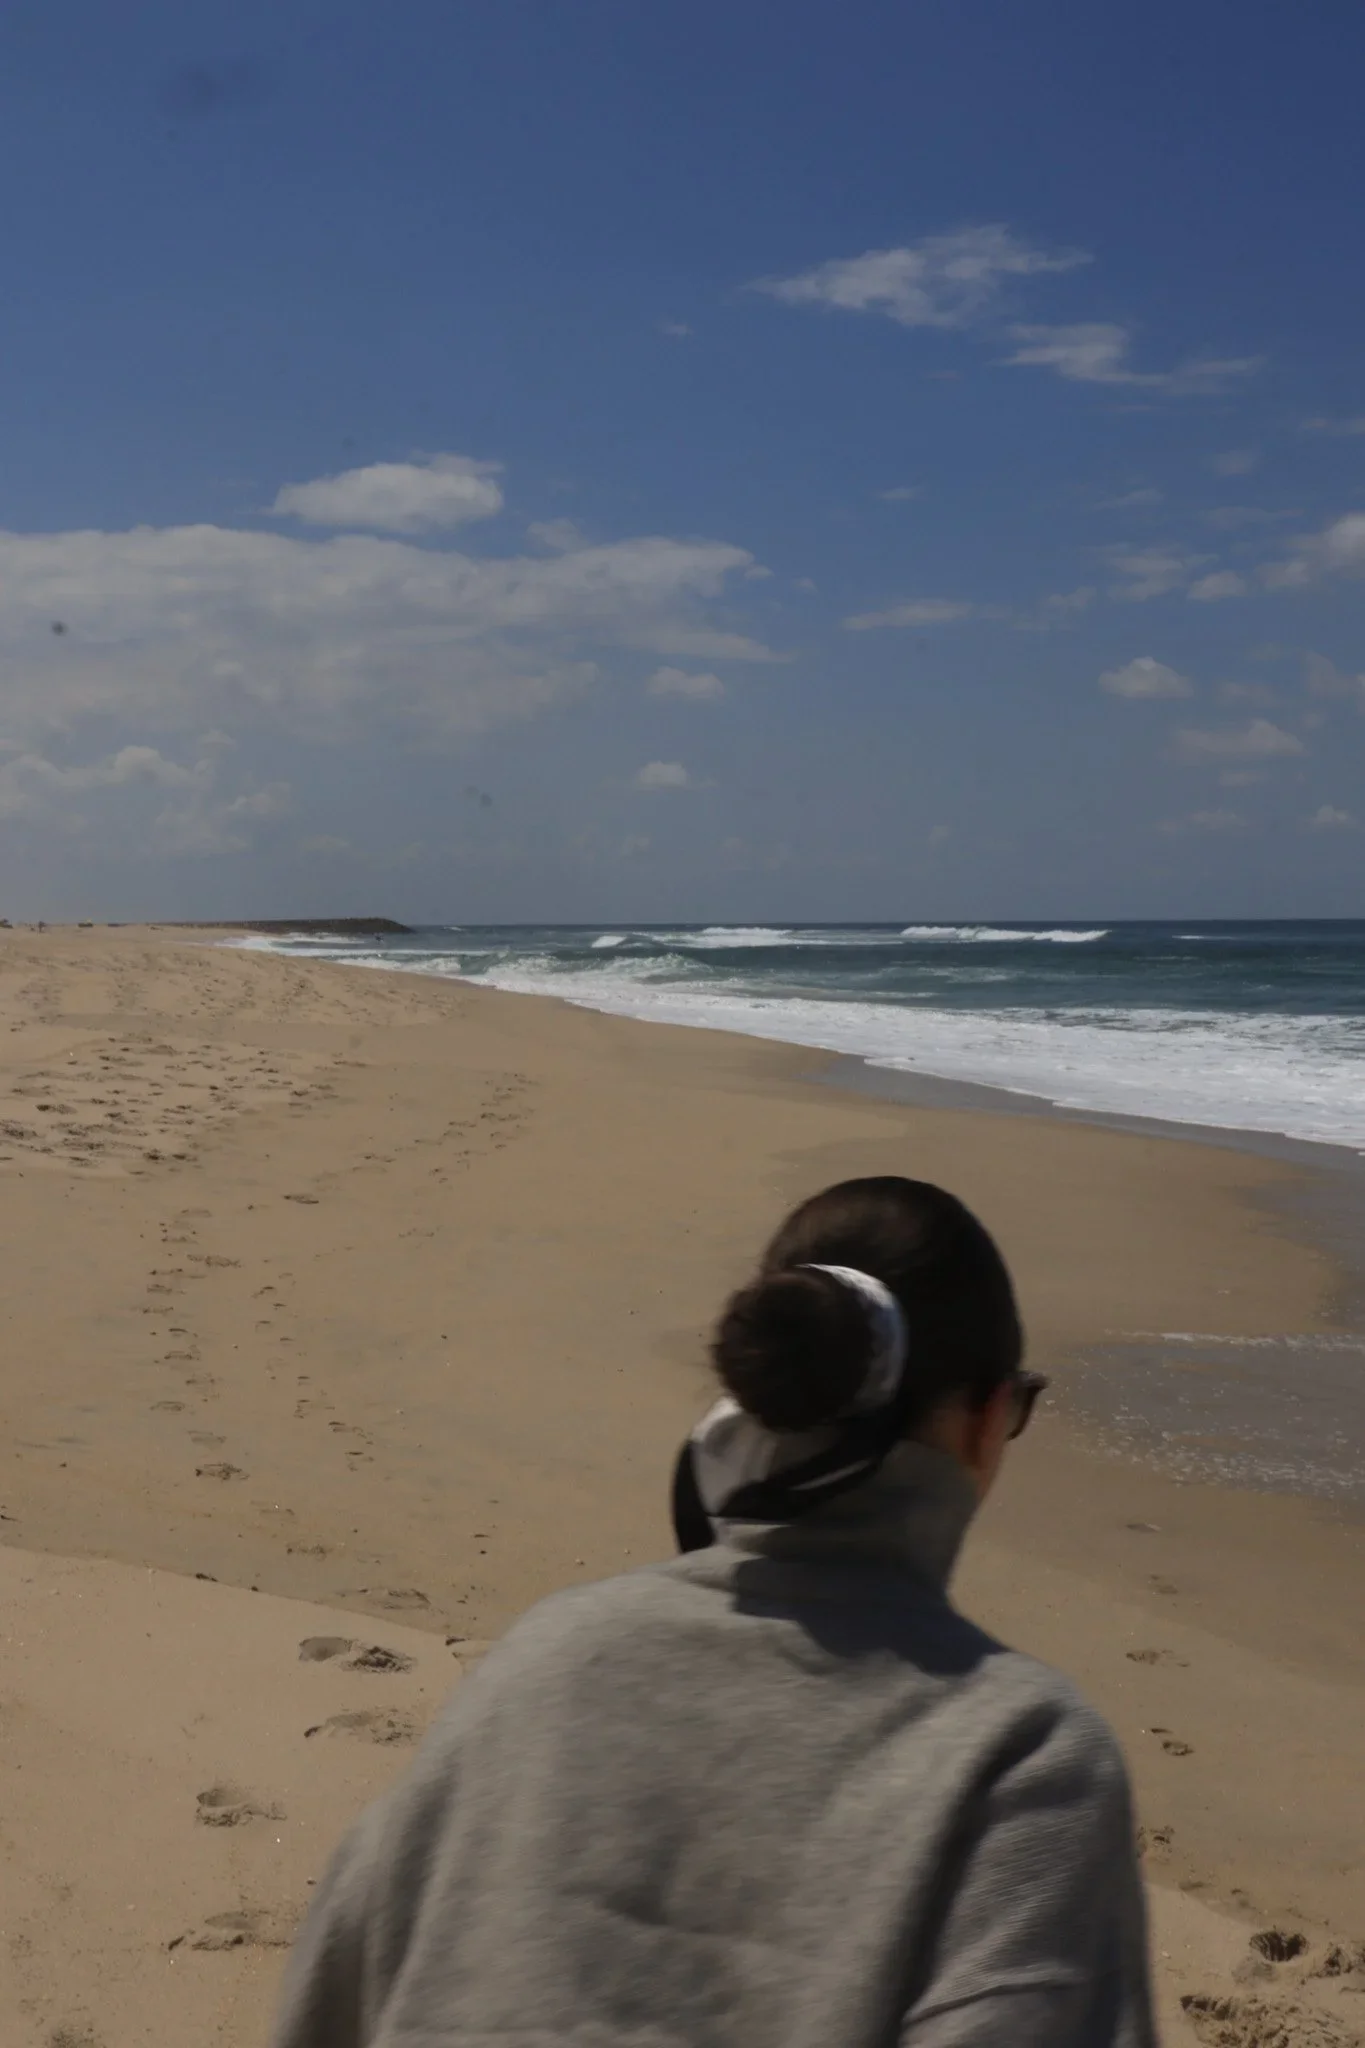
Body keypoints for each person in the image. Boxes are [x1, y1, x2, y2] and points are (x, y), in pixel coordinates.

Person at [271, 1175, 1155, 2048]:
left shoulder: (544, 1660)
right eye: (1020, 1406)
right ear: (985, 1418)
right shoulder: (1022, 1762)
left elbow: (330, 1996)